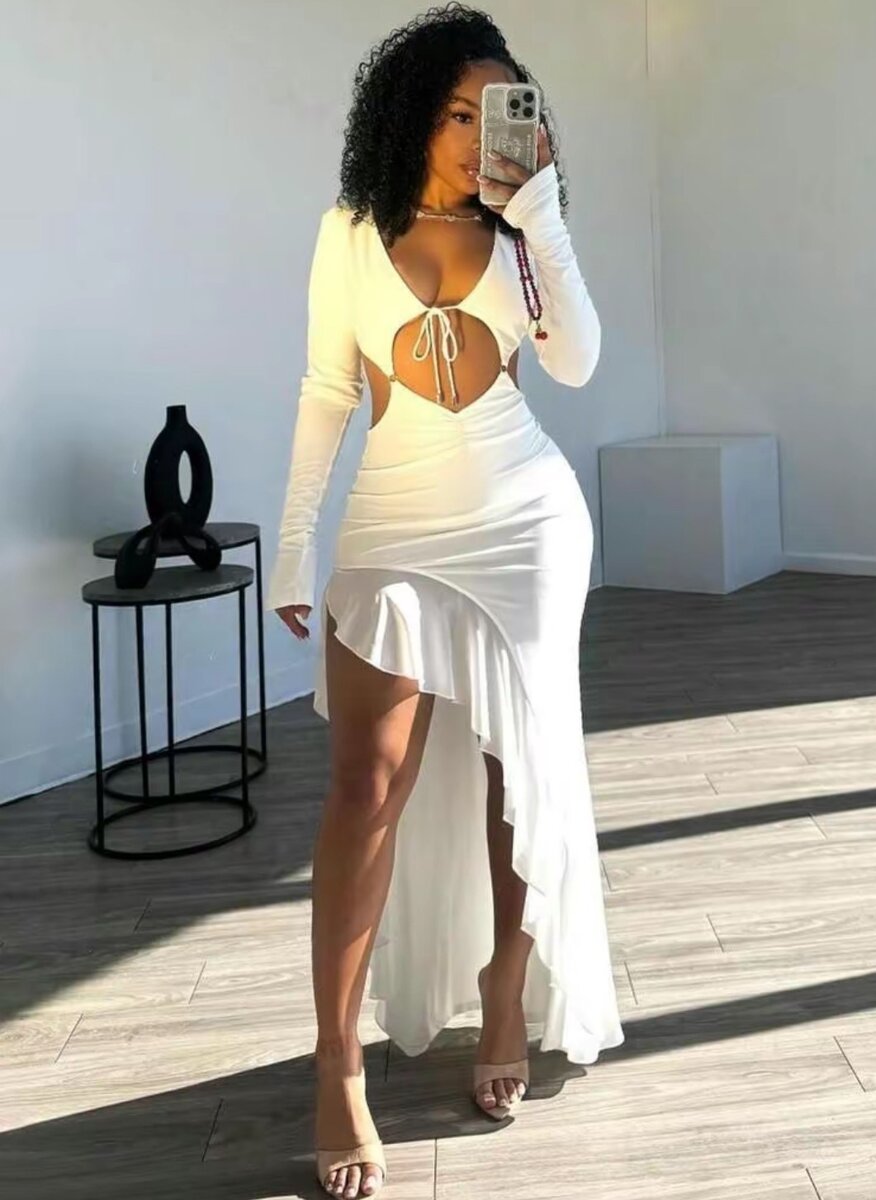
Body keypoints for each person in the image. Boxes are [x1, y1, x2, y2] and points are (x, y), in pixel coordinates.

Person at [265, 6, 625, 1196]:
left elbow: (576, 361)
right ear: (413, 113)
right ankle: (337, 1064)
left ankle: (505, 989)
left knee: (520, 766)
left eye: (502, 113)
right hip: (396, 521)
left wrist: (543, 213)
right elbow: (328, 390)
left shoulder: (522, 233)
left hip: (526, 521)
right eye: (461, 113)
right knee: (366, 782)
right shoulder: (347, 231)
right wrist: (296, 547)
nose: (480, 136)